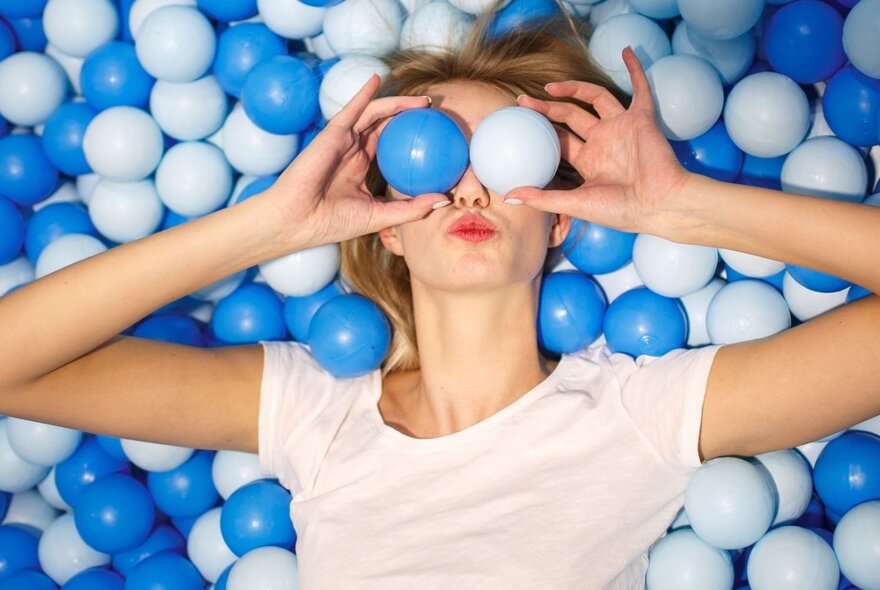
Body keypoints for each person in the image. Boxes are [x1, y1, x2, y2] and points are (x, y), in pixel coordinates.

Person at [0, 11, 878, 590]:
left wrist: (683, 207)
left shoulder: (639, 413)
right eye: (430, 153)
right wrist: (268, 226)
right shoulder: (313, 410)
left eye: (505, 152)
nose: (468, 185)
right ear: (385, 223)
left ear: (560, 217)